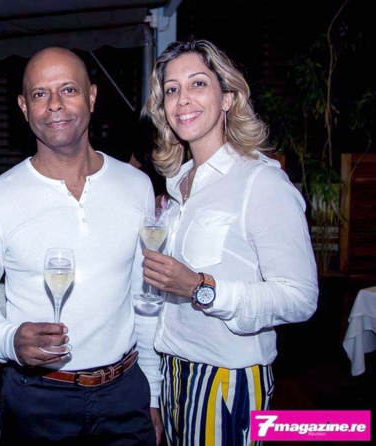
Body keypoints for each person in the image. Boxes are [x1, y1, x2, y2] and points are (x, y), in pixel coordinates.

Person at [0, 46, 163, 444]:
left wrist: (153, 392)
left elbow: (143, 296)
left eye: (68, 90)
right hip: (37, 399)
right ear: (24, 107)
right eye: (40, 93)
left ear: (92, 96)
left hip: (125, 394)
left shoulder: (136, 186)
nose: (55, 104)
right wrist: (10, 340)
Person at [141, 38, 318, 445]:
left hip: (229, 381)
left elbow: (300, 298)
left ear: (227, 98)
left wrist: (201, 288)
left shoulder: (260, 182)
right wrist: (154, 389)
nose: (183, 99)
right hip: (174, 375)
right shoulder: (175, 189)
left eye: (198, 84)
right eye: (172, 89)